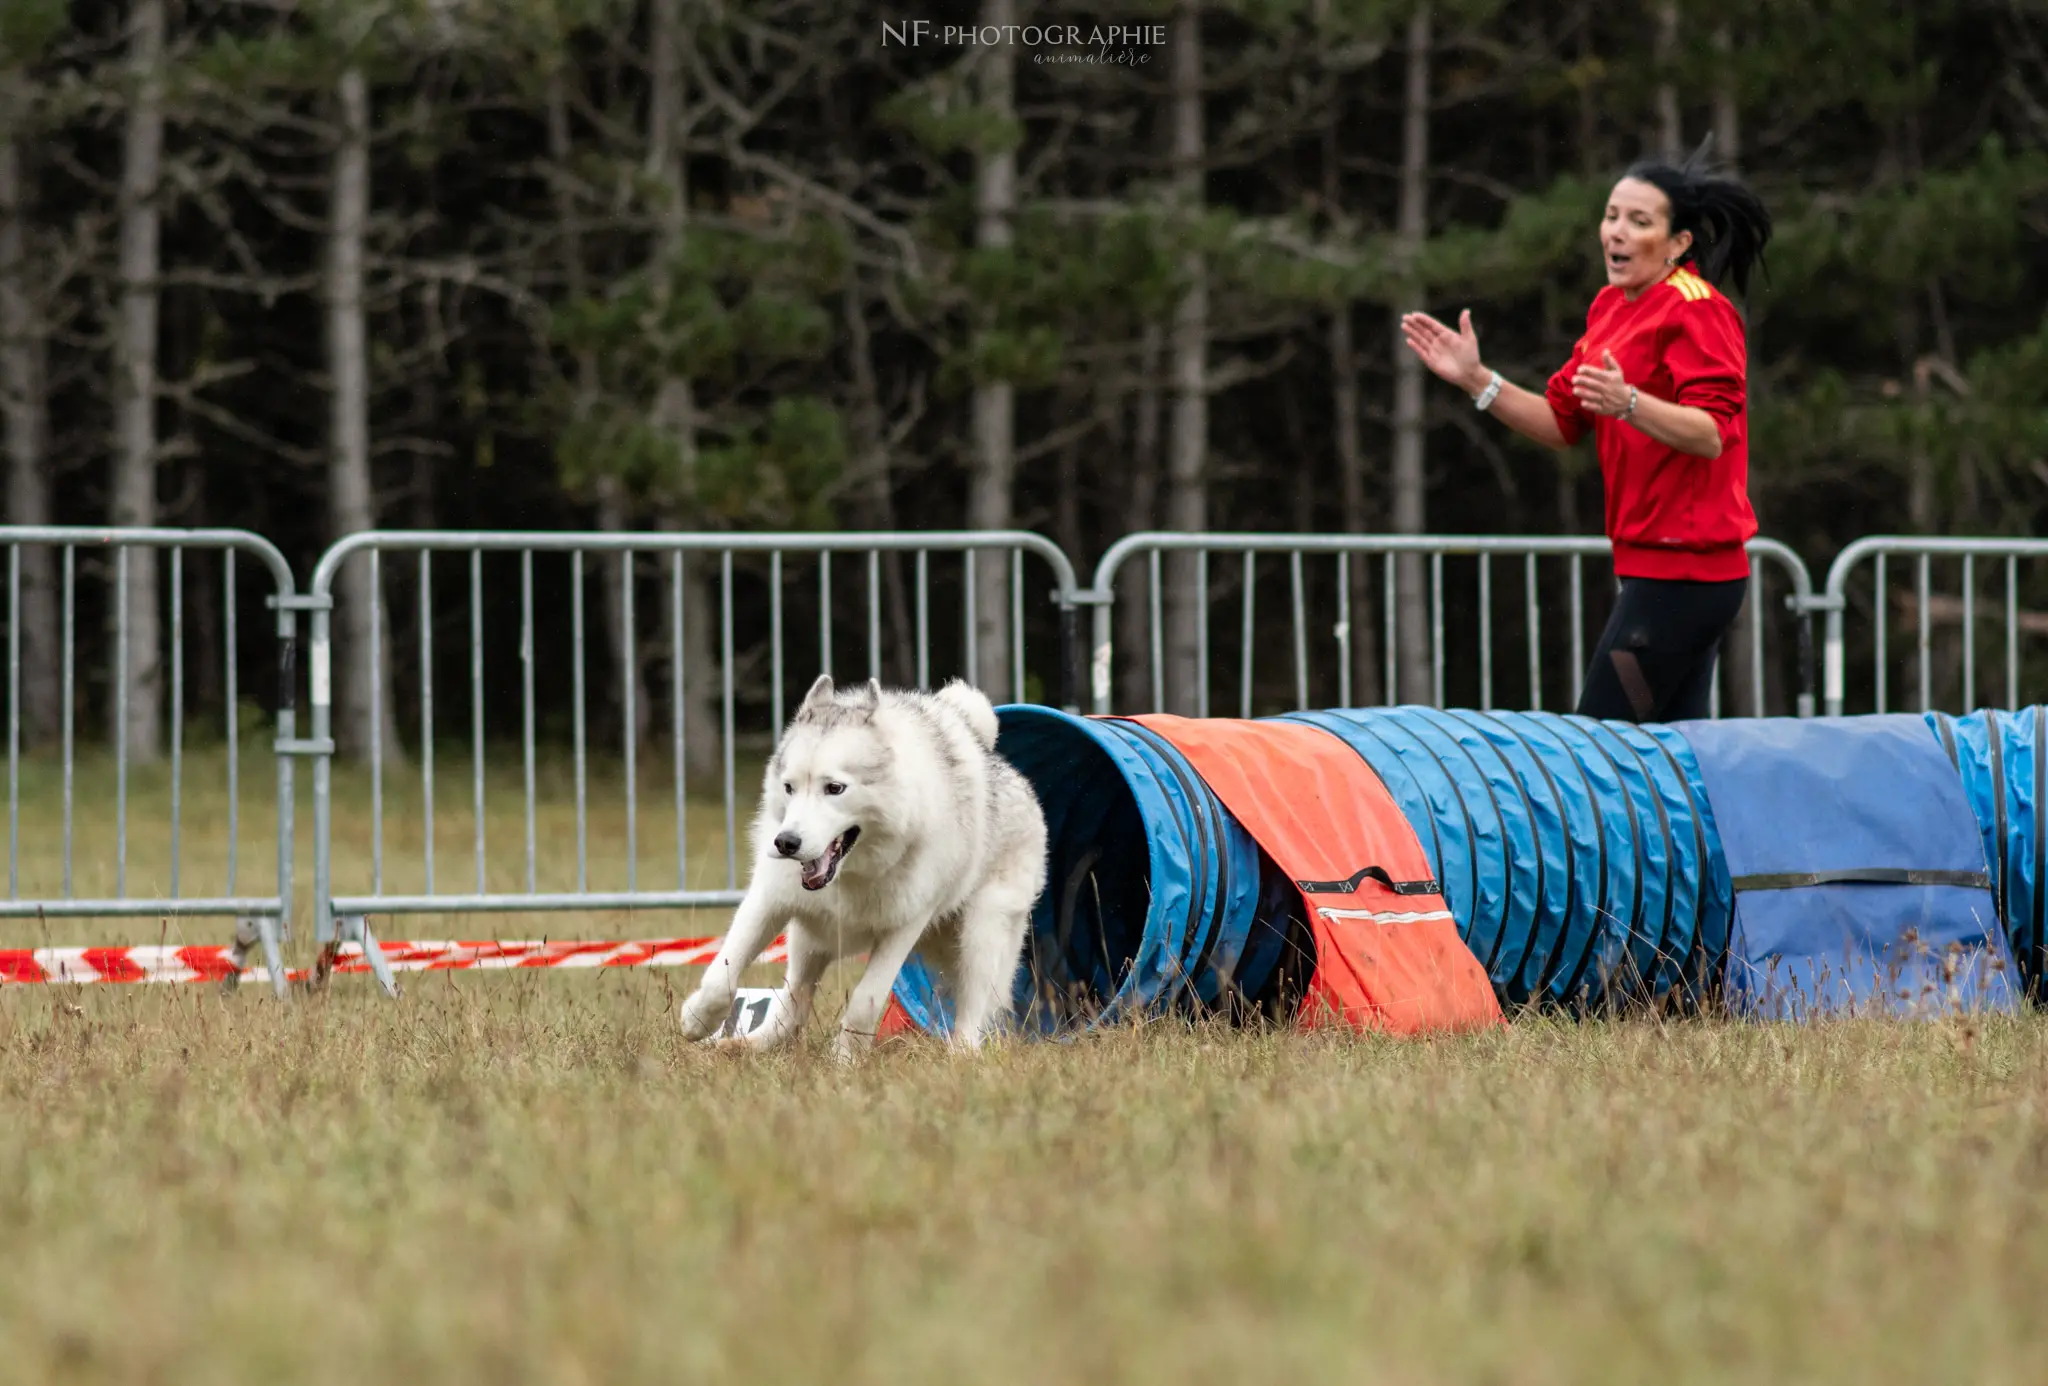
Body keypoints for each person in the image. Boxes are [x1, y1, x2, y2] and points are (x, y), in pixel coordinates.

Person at [1400, 151, 1773, 723]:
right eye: (1611, 215)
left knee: (1602, 743)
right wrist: (1477, 379)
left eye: (1639, 222)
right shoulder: (1610, 306)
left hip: (1688, 579)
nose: (1616, 233)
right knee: (1671, 756)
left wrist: (1629, 403)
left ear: (1678, 245)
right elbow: (1560, 422)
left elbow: (1710, 435)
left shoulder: (1699, 311)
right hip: (1649, 572)